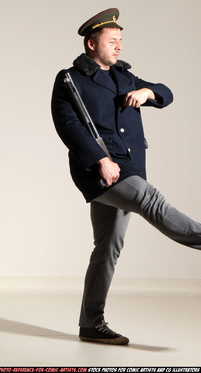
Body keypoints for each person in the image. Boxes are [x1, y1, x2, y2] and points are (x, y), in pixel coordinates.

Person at [51, 8, 201, 345]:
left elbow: (165, 92)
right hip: (101, 171)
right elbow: (69, 127)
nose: (118, 46)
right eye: (112, 40)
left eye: (121, 41)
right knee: (152, 201)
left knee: (107, 248)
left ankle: (91, 324)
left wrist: (148, 93)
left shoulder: (125, 77)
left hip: (130, 167)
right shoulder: (70, 79)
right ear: (92, 43)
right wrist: (100, 159)